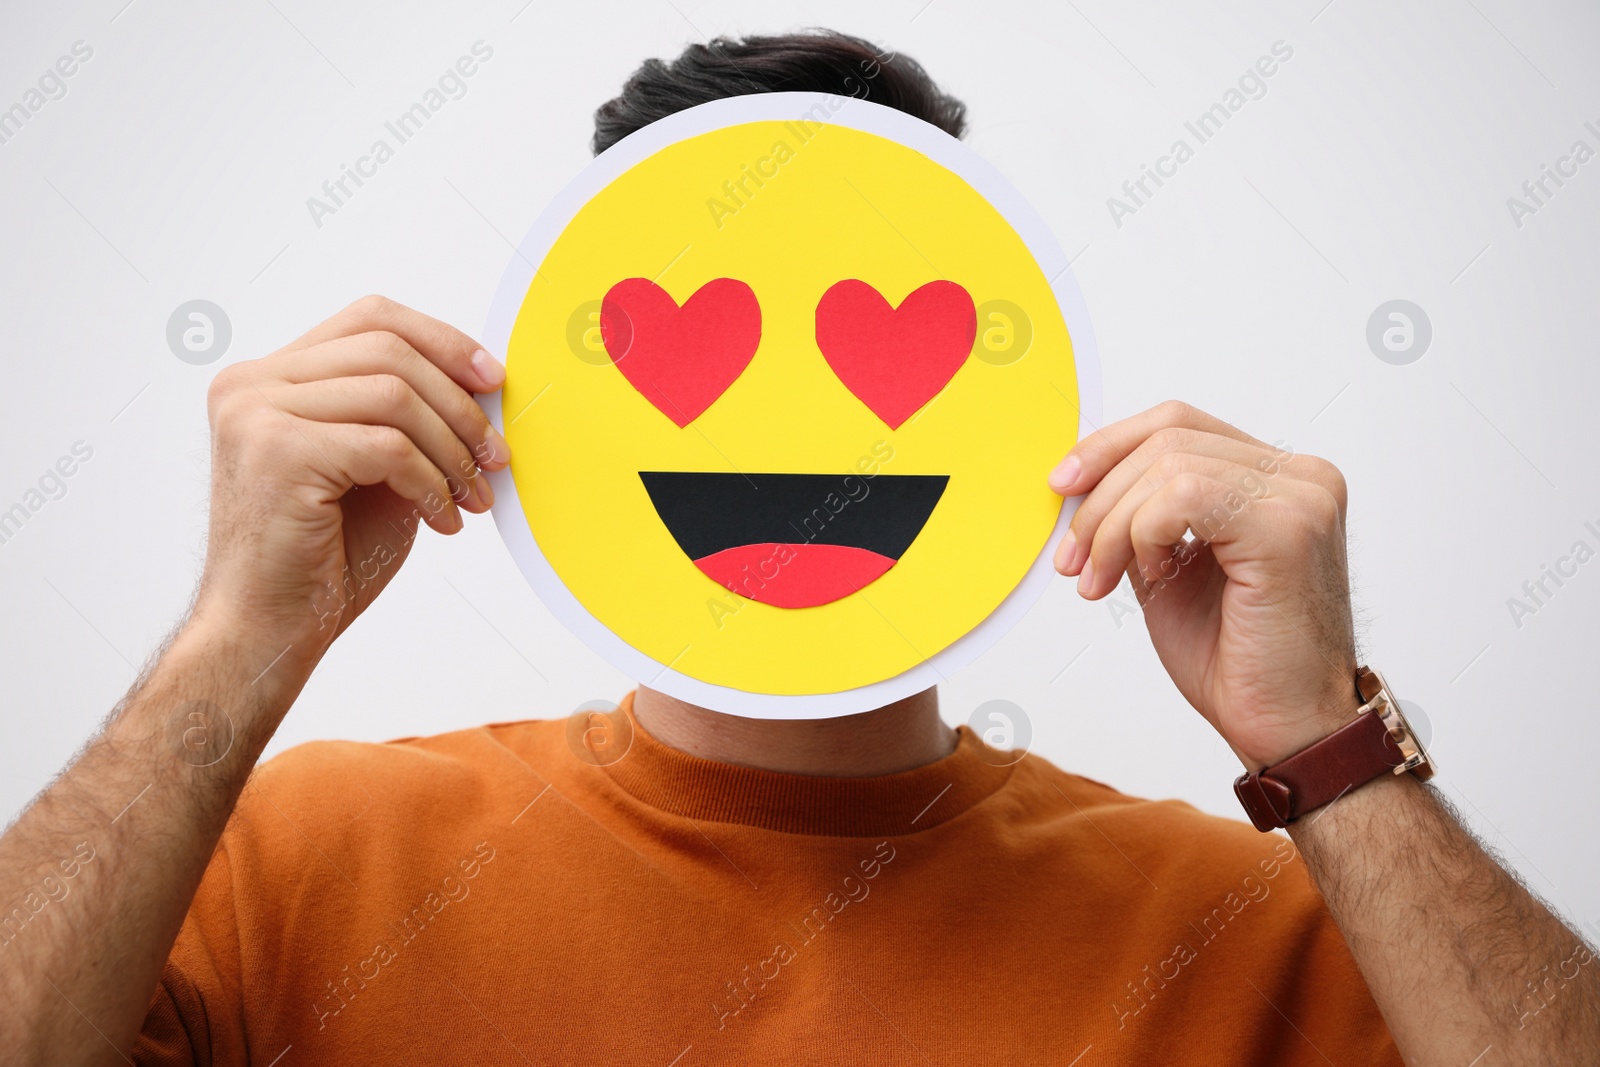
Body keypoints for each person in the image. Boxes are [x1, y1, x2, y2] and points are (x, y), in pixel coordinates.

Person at [2, 29, 1595, 1067]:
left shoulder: (1241, 934)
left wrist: (1327, 743)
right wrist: (233, 649)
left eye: (868, 348)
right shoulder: (296, 870)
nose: (793, 429)